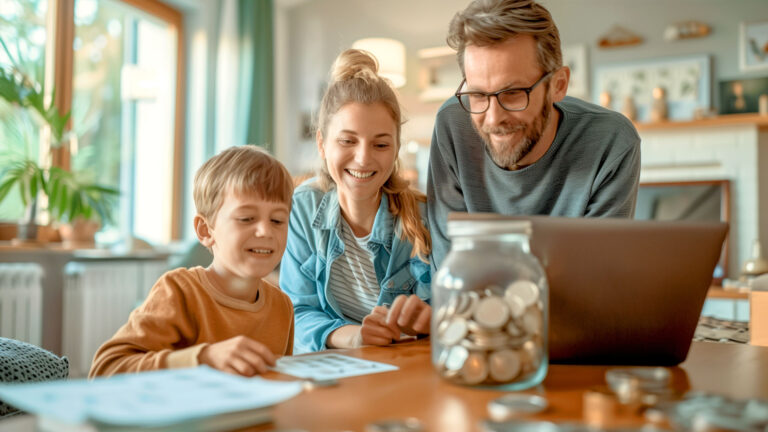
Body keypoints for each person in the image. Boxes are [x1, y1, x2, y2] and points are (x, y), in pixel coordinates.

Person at [427, 0, 641, 273]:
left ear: (558, 85)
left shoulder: (612, 142)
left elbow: (597, 280)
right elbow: (451, 271)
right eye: (478, 95)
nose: (493, 120)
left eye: (514, 93)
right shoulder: (453, 123)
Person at [90, 146, 295, 377]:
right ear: (206, 230)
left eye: (278, 220)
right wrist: (203, 358)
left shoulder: (282, 306)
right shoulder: (178, 292)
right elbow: (105, 370)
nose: (265, 230)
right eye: (246, 218)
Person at [280, 49, 432, 353]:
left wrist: (431, 320)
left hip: (404, 366)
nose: (363, 159)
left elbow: (446, 312)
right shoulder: (303, 206)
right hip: (335, 367)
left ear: (396, 148)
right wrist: (356, 337)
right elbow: (297, 312)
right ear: (322, 144)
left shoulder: (422, 216)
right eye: (348, 141)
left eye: (380, 143)